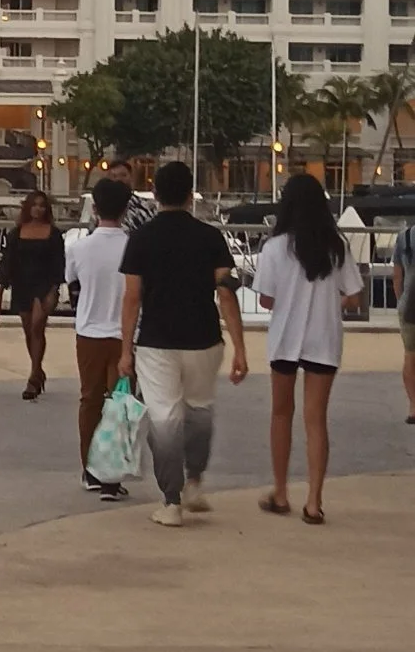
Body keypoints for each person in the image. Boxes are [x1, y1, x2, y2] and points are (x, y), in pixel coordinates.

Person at [118, 160, 249, 527]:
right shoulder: (210, 237)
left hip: (157, 341)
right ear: (191, 196)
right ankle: (194, 481)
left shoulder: (141, 239)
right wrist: (239, 347)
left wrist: (125, 350)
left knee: (164, 418)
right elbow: (226, 294)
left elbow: (132, 298)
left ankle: (171, 501)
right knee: (200, 411)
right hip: (204, 338)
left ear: (154, 194)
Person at [254, 170, 364, 524]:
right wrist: (331, 302)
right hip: (324, 336)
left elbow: (267, 300)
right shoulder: (337, 246)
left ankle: (281, 491)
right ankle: (314, 501)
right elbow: (355, 296)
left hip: (286, 337)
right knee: (316, 419)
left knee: (281, 414)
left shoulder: (274, 248)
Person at [65, 175, 135, 499]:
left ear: (94, 208)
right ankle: (112, 476)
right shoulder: (134, 246)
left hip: (89, 332)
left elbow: (72, 283)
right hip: (125, 334)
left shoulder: (78, 247)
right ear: (126, 209)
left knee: (89, 401)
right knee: (119, 404)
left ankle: (89, 469)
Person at [0, 189, 67, 399]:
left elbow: (59, 264)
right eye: (34, 204)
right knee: (29, 330)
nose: (38, 209)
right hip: (22, 284)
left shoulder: (53, 234)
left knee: (37, 326)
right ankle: (38, 370)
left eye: (42, 205)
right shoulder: (16, 233)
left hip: (44, 286)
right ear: (28, 207)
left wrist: (55, 290)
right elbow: (7, 263)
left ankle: (33, 378)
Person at [81, 157, 154, 232]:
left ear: (131, 176)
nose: (119, 179)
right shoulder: (102, 206)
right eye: (114, 176)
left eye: (123, 175)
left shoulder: (145, 206)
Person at [393, 218, 415, 426]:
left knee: (410, 355)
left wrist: (401, 301)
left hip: (410, 305)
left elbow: (397, 276)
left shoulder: (405, 237)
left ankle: (413, 406)